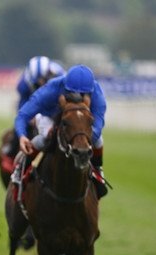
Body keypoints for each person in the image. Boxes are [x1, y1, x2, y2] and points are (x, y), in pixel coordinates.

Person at [12, 64, 108, 198]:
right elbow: (23, 115)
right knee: (44, 138)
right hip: (50, 116)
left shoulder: (96, 93)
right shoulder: (51, 89)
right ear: (65, 87)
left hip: (79, 120)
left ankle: (97, 170)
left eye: (82, 95)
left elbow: (98, 122)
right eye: (72, 93)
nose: (77, 97)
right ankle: (21, 169)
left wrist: (84, 139)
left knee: (98, 140)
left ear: (90, 91)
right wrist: (22, 135)